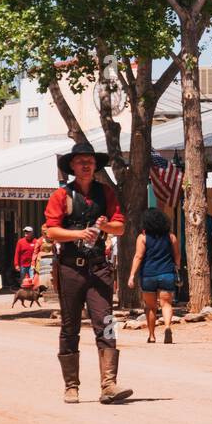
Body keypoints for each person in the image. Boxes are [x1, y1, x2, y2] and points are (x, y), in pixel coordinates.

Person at [44, 140, 131, 404]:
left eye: (90, 161)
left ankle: (109, 384)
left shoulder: (106, 193)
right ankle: (71, 386)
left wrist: (103, 227)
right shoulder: (61, 195)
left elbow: (121, 228)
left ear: (96, 166)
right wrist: (78, 234)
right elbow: (50, 231)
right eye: (81, 161)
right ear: (72, 165)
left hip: (99, 268)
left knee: (106, 323)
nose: (86, 165)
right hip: (70, 268)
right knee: (70, 327)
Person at [127, 208, 179, 344]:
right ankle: (167, 327)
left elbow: (138, 256)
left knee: (150, 307)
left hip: (148, 274)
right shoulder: (171, 237)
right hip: (167, 273)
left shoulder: (143, 238)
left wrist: (132, 275)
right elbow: (177, 255)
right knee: (166, 304)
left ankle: (151, 335)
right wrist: (176, 268)